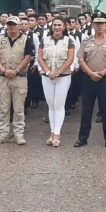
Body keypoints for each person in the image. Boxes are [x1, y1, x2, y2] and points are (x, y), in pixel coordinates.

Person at [75, 11, 106, 148]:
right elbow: (81, 59)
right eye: (97, 23)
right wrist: (90, 73)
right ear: (93, 25)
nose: (100, 26)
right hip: (89, 78)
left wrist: (102, 73)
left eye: (102, 23)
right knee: (86, 109)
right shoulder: (86, 41)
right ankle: (83, 138)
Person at [0, 16, 34, 145]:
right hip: (3, 77)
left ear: (19, 26)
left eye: (14, 24)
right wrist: (4, 70)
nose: (12, 27)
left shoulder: (26, 39)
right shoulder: (1, 39)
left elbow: (28, 57)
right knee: (3, 108)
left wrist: (16, 70)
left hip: (19, 77)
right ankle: (2, 134)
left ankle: (18, 134)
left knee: (18, 108)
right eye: (9, 24)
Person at [38, 18, 75, 147]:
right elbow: (40, 58)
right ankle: (52, 132)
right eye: (55, 25)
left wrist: (58, 73)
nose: (57, 27)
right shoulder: (45, 40)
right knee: (51, 105)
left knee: (59, 105)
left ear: (64, 27)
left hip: (63, 76)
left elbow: (70, 59)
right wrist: (48, 72)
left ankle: (57, 134)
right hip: (47, 76)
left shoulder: (69, 40)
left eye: (59, 25)